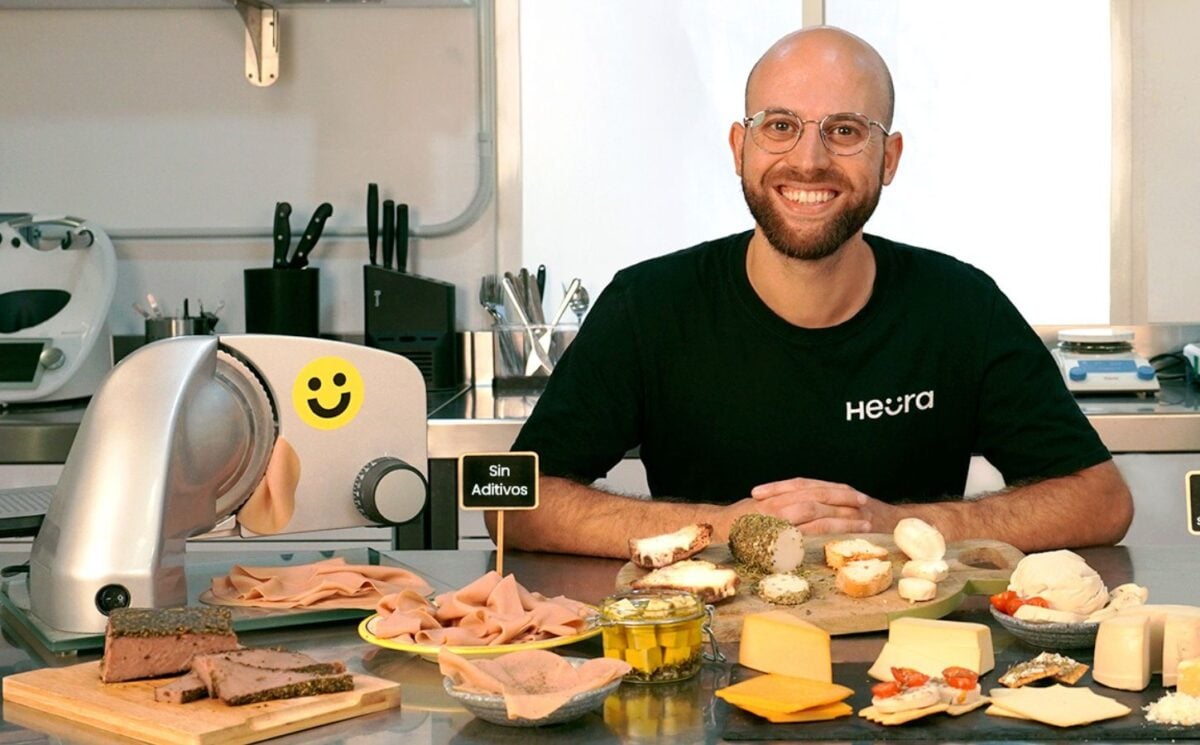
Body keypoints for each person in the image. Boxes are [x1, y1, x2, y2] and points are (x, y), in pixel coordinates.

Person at [491, 26, 1132, 557]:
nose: (810, 160)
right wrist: (723, 530)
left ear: (890, 158)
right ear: (740, 147)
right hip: (704, 667)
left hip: (917, 670)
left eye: (846, 130)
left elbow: (1101, 499)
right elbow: (505, 498)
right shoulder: (648, 304)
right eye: (779, 126)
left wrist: (898, 527)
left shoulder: (961, 305)